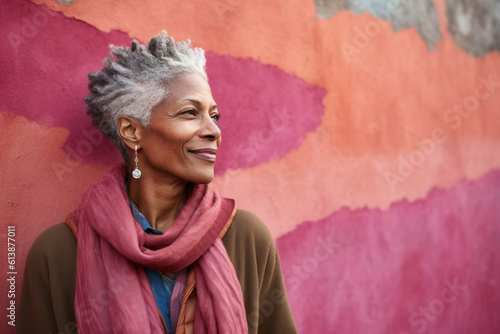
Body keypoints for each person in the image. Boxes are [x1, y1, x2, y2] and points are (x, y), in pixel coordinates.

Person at [17, 31, 297, 334]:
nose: (213, 130)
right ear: (132, 131)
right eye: (191, 112)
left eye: (214, 115)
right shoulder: (57, 253)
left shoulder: (246, 239)